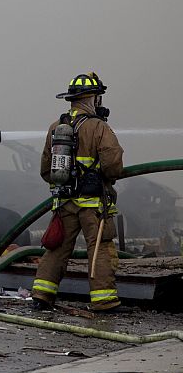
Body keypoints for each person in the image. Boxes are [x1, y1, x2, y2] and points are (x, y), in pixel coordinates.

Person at [32, 72, 123, 312]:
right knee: (100, 248)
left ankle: (42, 294)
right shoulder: (98, 127)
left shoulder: (56, 128)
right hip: (93, 205)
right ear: (92, 99)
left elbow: (45, 168)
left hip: (64, 203)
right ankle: (104, 301)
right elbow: (113, 164)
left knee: (57, 248)